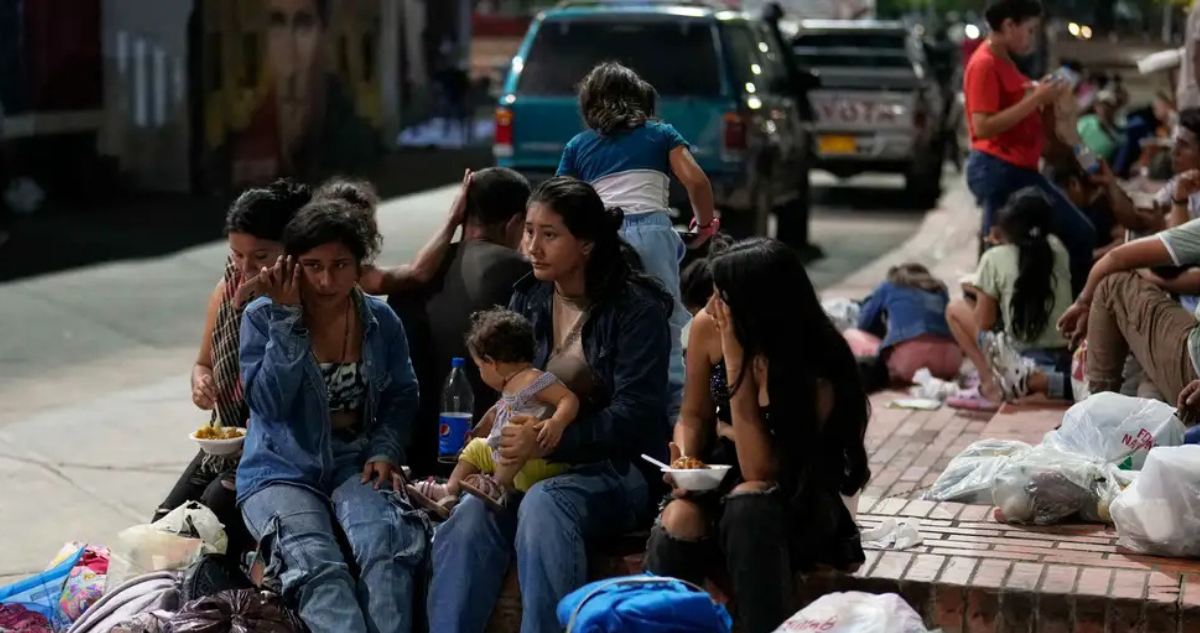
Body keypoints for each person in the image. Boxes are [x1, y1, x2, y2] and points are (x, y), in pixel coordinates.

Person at [426, 176, 673, 633]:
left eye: (549, 234)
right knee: (471, 514)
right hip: (530, 464)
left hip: (615, 471)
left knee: (543, 503)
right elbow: (514, 386)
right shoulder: (529, 296)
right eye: (529, 231)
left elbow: (635, 416)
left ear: (586, 242)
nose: (532, 246)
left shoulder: (637, 309)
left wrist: (548, 442)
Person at [644, 238, 869, 633]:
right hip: (727, 481)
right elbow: (694, 414)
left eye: (723, 298)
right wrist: (686, 462)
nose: (712, 308)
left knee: (749, 505)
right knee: (679, 518)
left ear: (760, 306)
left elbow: (760, 470)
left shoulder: (816, 361)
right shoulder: (708, 328)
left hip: (797, 495)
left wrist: (736, 369)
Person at [237, 198, 425, 633]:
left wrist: (385, 447)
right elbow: (267, 405)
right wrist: (287, 322)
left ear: (359, 266)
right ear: (293, 265)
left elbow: (403, 393)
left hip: (354, 462)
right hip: (279, 470)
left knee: (387, 550)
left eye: (340, 265)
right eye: (313, 265)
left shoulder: (381, 320)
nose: (326, 279)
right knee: (316, 566)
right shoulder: (263, 317)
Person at [156, 180, 314, 557]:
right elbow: (202, 363)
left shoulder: (309, 304)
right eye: (237, 255)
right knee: (161, 531)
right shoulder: (228, 288)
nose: (246, 268)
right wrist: (201, 383)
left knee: (206, 526)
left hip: (276, 453)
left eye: (260, 256)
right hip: (223, 447)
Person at [556, 62, 718, 421]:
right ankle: (677, 420)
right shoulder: (661, 134)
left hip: (601, 240)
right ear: (642, 101)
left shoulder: (579, 145)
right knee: (666, 324)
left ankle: (613, 407)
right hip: (654, 235)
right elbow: (697, 182)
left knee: (605, 323)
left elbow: (559, 199)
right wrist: (705, 225)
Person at [385, 167, 533, 477]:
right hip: (486, 454)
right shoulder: (523, 273)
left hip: (413, 450)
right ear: (516, 222)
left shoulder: (413, 275)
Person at [964, 0, 1094, 297]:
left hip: (1018, 168)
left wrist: (1042, 97)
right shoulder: (985, 63)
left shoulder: (1005, 61)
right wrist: (1035, 99)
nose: (1032, 38)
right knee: (994, 254)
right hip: (999, 167)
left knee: (1007, 252)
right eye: (1030, 30)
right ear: (1009, 25)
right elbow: (982, 127)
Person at [412, 308, 580, 514]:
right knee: (475, 448)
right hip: (505, 458)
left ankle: (497, 487)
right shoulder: (510, 385)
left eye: (480, 367)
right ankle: (449, 490)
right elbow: (495, 413)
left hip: (533, 460)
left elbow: (568, 398)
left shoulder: (534, 379)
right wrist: (476, 433)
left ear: (491, 363)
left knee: (513, 441)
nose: (480, 373)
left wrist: (557, 423)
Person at [213, 0, 381, 189]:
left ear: (324, 35)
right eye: (277, 23)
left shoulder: (357, 146)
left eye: (304, 25)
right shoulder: (240, 146)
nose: (289, 52)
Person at [946, 188, 1074, 408]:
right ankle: (1040, 385)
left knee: (956, 308)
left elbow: (984, 322)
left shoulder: (994, 258)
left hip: (1019, 357)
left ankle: (991, 387)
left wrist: (979, 287)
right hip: (1062, 356)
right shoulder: (1059, 250)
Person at [845, 263, 963, 383]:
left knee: (851, 334)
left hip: (912, 361)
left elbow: (864, 323)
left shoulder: (888, 286)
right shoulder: (939, 288)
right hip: (952, 360)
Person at [1077, 89, 1121, 164]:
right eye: (1100, 105)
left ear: (1114, 108)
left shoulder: (1119, 131)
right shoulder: (1085, 122)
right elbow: (1074, 142)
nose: (1103, 108)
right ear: (1095, 107)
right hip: (1081, 163)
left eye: (1107, 105)